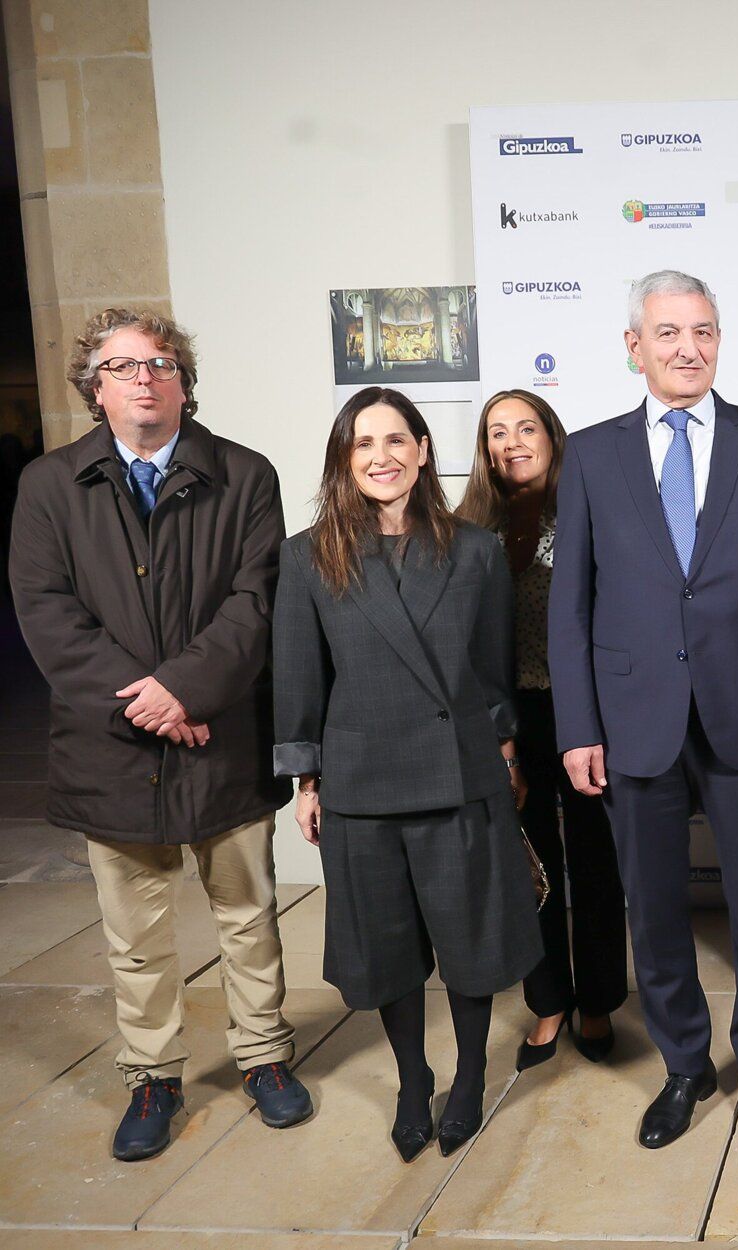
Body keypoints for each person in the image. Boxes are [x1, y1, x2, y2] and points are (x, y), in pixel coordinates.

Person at [9, 307, 312, 1162]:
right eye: (122, 365)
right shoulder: (47, 485)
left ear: (184, 381)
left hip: (222, 736)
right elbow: (47, 612)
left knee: (249, 917)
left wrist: (182, 689)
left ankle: (264, 1058)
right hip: (111, 748)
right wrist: (146, 702)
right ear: (93, 388)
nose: (145, 377)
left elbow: (256, 603)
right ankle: (153, 1075)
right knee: (134, 939)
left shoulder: (246, 475)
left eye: (162, 362)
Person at [549, 270, 738, 1151]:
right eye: (668, 333)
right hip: (634, 718)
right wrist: (579, 728)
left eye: (703, 332)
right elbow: (573, 608)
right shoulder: (591, 454)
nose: (688, 349)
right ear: (634, 346)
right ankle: (682, 1065)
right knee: (656, 909)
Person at [273, 387, 540, 1163]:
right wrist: (307, 782)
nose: (381, 457)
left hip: (459, 776)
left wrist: (507, 757)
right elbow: (299, 681)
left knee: (471, 939)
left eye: (397, 440)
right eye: (363, 444)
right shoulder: (306, 555)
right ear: (343, 461)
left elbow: (493, 679)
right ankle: (414, 1078)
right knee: (384, 946)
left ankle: (464, 1083)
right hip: (360, 783)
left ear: (424, 451)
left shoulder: (476, 551)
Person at [458, 390, 630, 1070]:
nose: (512, 441)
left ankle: (597, 1002)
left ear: (553, 438)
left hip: (586, 712)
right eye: (497, 432)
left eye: (525, 427)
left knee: (594, 863)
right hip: (507, 718)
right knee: (528, 871)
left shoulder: (587, 516)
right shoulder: (469, 531)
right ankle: (549, 1002)